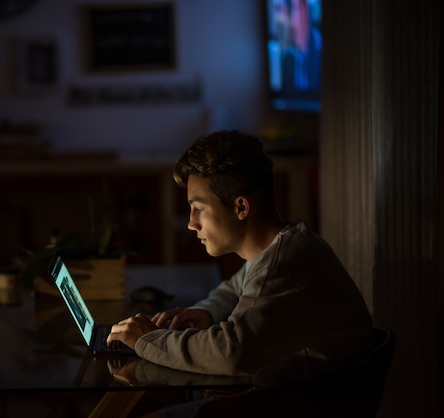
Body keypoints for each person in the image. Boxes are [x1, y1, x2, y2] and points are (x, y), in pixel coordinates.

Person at [106, 130, 374, 413]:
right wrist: (206, 312)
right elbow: (236, 288)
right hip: (288, 396)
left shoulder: (283, 266)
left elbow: (232, 352)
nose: (191, 223)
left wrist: (148, 341)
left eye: (199, 209)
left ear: (241, 207)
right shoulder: (285, 245)